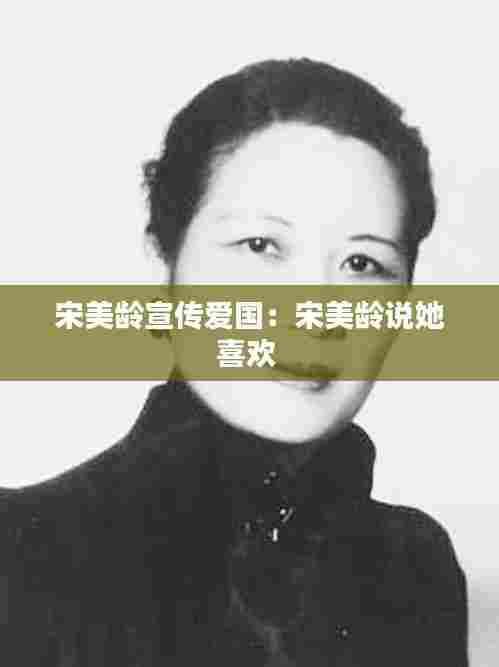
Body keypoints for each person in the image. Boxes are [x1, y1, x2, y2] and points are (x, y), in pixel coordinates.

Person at [0, 59, 468, 666]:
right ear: (161, 268)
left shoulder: (413, 567)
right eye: (261, 246)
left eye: (362, 265)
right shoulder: (22, 550)